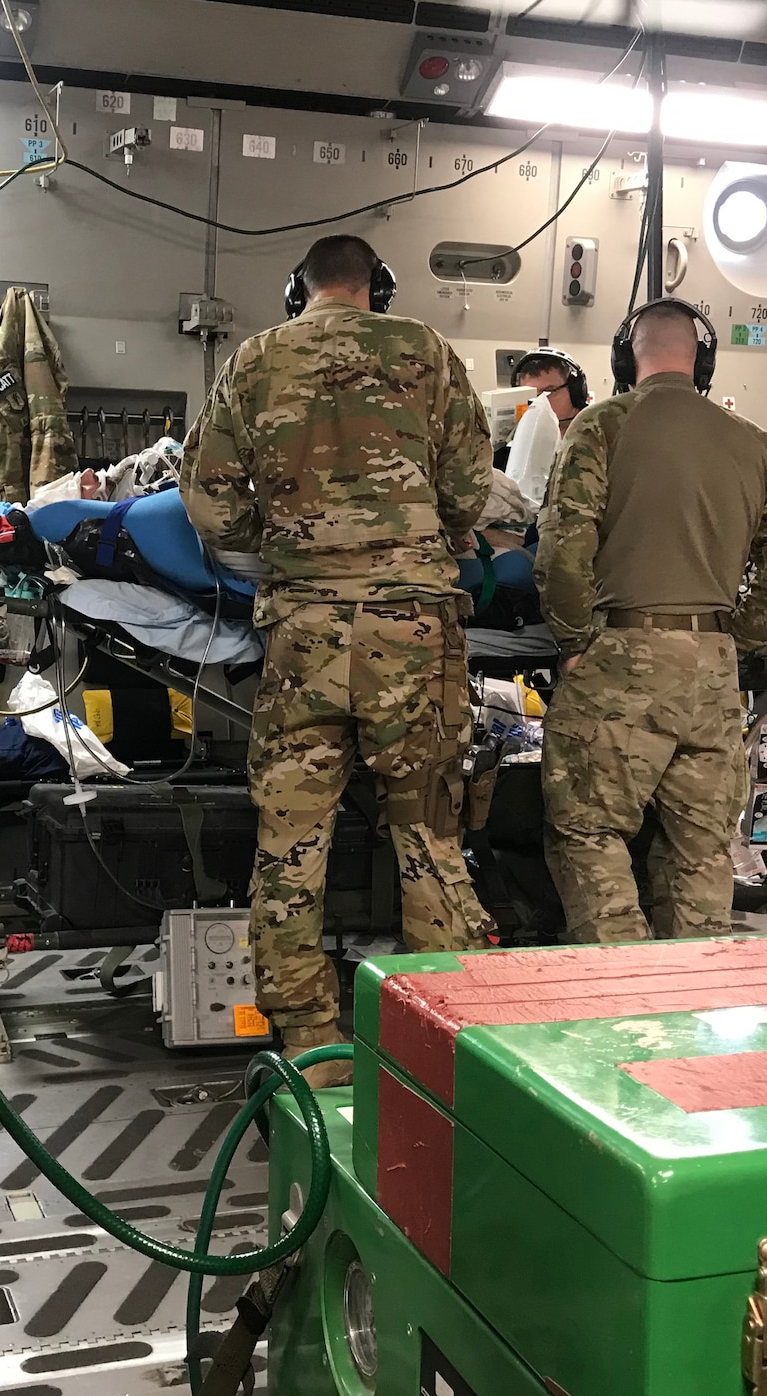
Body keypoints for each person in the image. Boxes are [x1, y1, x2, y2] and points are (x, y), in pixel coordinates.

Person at [180, 234, 497, 1084]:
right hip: (413, 632)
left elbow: (209, 504)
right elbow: (471, 488)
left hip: (303, 631)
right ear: (377, 289)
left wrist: (286, 544)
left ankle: (311, 1050)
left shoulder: (254, 359)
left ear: (300, 289)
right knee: (427, 832)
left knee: (290, 841)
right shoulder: (425, 351)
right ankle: (438, 1044)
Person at [536, 298, 767, 944]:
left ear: (625, 358)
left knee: (588, 827)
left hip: (620, 658)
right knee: (701, 851)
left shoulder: (600, 427)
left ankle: (623, 997)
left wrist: (575, 639)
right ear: (702, 361)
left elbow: (561, 550)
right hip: (712, 675)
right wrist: (735, 636)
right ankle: (692, 1009)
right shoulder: (755, 446)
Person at [503, 350, 589, 507]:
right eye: (531, 395)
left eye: (548, 392)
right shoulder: (510, 446)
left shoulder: (598, 436)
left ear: (576, 391)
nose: (538, 402)